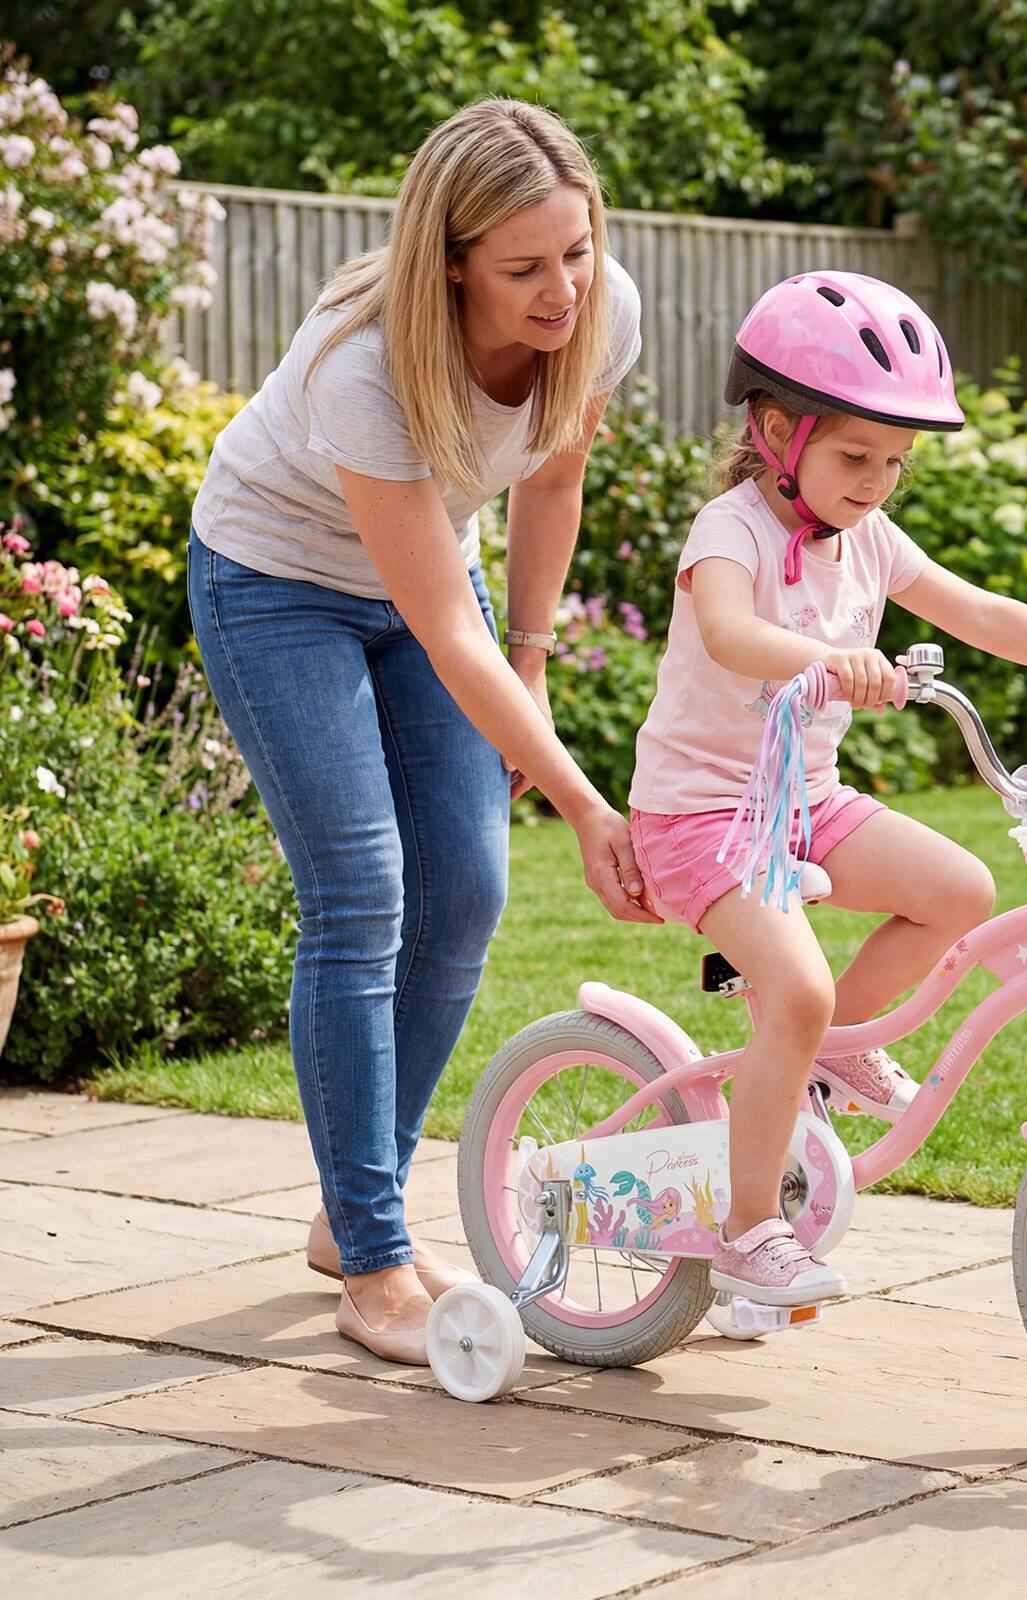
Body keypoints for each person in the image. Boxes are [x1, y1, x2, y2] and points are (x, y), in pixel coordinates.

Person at [187, 99, 658, 1365]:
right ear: (450, 261)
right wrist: (585, 799)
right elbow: (451, 636)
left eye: (574, 249)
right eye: (523, 268)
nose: (562, 288)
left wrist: (541, 668)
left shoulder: (597, 306)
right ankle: (378, 1257)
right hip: (274, 583)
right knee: (360, 889)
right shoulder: (368, 365)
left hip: (423, 584)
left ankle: (354, 1213)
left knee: (467, 886)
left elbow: (551, 477)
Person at [626, 271, 1027, 1305]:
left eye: (895, 461)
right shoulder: (729, 530)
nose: (877, 480)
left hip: (806, 800)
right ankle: (749, 1228)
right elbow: (730, 632)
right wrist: (824, 662)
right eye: (854, 456)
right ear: (778, 431)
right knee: (794, 986)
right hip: (700, 814)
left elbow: (981, 614)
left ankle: (820, 1061)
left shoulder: (868, 540)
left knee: (958, 889)